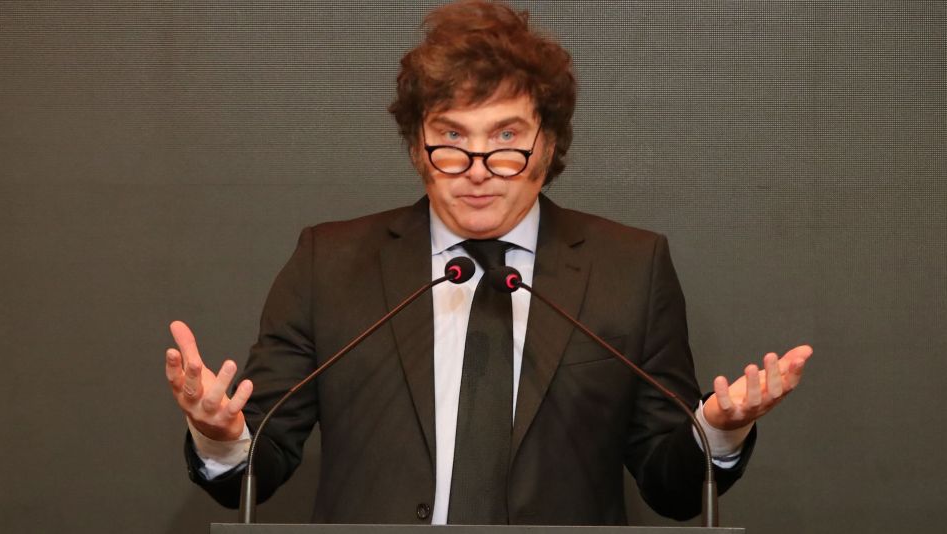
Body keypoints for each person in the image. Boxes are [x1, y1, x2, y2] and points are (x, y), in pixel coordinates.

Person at [164, 0, 812, 526]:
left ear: (547, 144)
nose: (478, 170)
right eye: (451, 138)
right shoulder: (329, 264)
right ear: (417, 147)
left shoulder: (631, 269)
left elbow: (671, 489)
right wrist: (220, 435)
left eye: (506, 138)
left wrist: (716, 433)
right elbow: (259, 461)